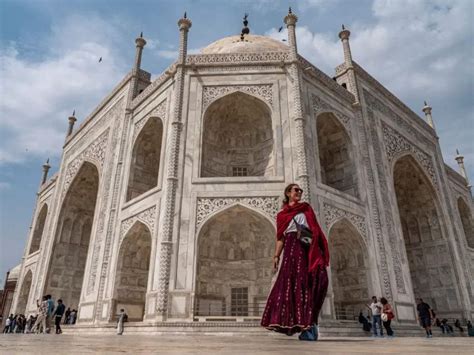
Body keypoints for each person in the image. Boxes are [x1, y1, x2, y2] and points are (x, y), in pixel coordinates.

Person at [261, 184, 330, 341]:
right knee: (294, 286)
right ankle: (306, 327)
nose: (299, 192)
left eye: (300, 190)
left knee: (315, 282)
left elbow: (314, 230)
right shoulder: (282, 215)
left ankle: (311, 323)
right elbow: (281, 238)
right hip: (291, 250)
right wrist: (276, 256)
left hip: (307, 247)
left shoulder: (306, 208)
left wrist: (316, 249)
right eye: (296, 190)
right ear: (288, 193)